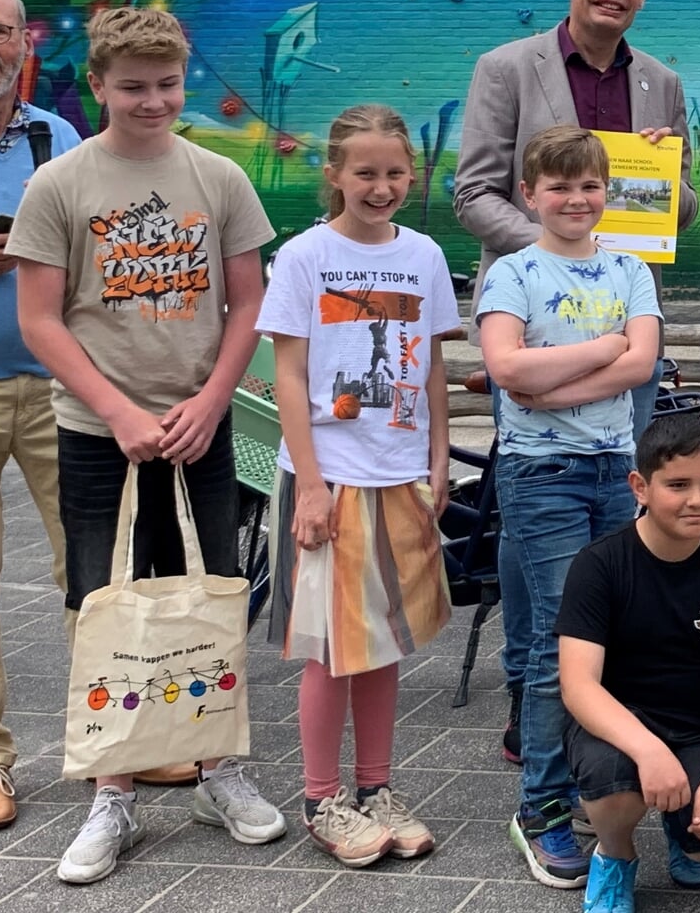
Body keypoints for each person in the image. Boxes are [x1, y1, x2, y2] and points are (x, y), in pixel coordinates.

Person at [9, 6, 286, 883]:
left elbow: (250, 304)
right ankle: (113, 790)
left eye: (167, 85)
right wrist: (118, 411)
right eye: (133, 87)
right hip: (98, 432)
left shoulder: (218, 177)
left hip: (201, 425)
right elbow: (41, 321)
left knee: (213, 592)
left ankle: (220, 769)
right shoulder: (60, 184)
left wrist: (213, 400)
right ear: (96, 87)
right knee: (102, 599)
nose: (153, 100)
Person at [452, 0, 699, 764]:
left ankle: (604, 687)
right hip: (534, 320)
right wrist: (557, 255)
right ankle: (533, 694)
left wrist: (661, 180)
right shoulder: (504, 68)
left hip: (621, 323)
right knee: (533, 525)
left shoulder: (662, 82)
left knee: (609, 507)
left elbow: (686, 212)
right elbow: (474, 193)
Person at [258, 105, 456, 867]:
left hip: (400, 474)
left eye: (394, 173)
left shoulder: (425, 256)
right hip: (330, 479)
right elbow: (287, 372)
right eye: (364, 173)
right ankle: (320, 798)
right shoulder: (304, 256)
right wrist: (309, 485)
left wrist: (438, 457)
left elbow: (432, 367)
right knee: (330, 650)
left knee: (382, 646)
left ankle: (375, 789)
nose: (380, 187)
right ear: (334, 175)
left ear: (412, 175)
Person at [475, 124, 662, 890]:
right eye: (558, 187)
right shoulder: (513, 272)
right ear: (530, 195)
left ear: (605, 191)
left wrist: (546, 383)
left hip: (616, 470)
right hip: (540, 473)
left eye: (588, 185)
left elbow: (642, 362)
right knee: (562, 644)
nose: (575, 199)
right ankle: (541, 808)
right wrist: (601, 352)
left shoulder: (629, 269)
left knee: (614, 634)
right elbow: (503, 367)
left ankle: (593, 783)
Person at [558, 415, 700, 909]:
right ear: (641, 487)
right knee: (617, 789)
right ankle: (614, 856)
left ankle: (682, 823)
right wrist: (650, 752)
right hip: (619, 720)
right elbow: (578, 686)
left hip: (696, 726)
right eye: (678, 485)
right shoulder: (600, 564)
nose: (698, 500)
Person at [0, 0, 77, 834]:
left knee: (89, 569)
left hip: (60, 387)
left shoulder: (60, 137)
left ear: (24, 46)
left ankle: (116, 735)